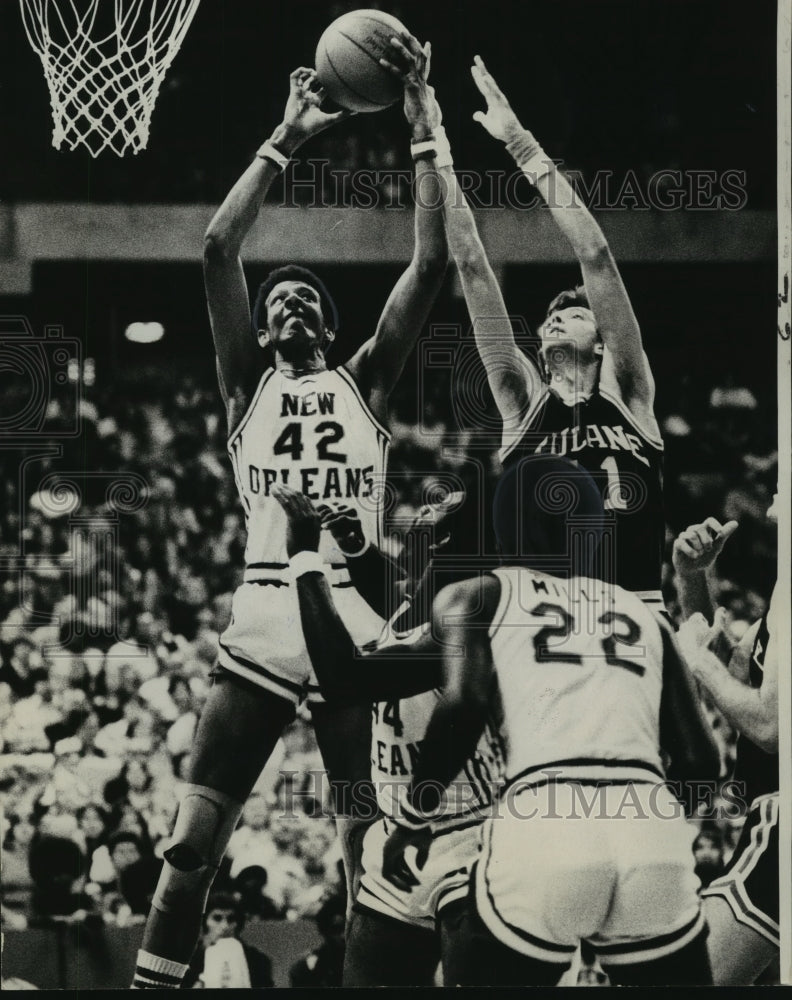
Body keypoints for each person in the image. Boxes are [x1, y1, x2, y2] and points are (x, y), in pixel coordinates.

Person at [132, 40, 447, 989]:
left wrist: (424, 130)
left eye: (312, 296)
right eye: (284, 300)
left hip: (353, 622)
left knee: (364, 855)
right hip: (268, 618)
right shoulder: (243, 389)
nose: (298, 302)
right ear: (265, 331)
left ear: (330, 326)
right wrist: (288, 136)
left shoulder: (366, 383)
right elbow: (219, 247)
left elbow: (430, 261)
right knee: (190, 845)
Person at [382, 455, 721, 986]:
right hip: (649, 828)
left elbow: (464, 705)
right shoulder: (645, 615)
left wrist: (413, 816)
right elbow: (702, 761)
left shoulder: (479, 594)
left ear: (504, 526)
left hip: (544, 823)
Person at [421, 55, 664, 603]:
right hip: (541, 620)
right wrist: (437, 148)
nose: (554, 317)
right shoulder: (521, 403)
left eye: (574, 314)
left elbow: (596, 256)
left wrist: (522, 146)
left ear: (603, 343)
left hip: (636, 610)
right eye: (551, 316)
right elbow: (474, 267)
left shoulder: (630, 393)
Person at [273, 479, 502, 987]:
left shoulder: (465, 625)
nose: (428, 507)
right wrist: (356, 548)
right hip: (404, 833)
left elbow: (343, 675)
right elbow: (399, 603)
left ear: (451, 541)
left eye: (443, 507)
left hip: (470, 838)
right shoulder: (432, 602)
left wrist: (305, 560)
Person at [674, 505, 780, 985]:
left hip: (782, 821)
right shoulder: (777, 609)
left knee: (690, 979)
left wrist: (700, 663)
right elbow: (732, 679)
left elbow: (770, 728)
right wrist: (692, 578)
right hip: (764, 817)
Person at [182, 891, 274, 989]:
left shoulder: (257, 961)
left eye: (231, 919)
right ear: (204, 922)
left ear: (238, 924)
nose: (225, 926)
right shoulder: (188, 961)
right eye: (217, 918)